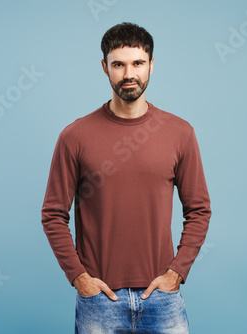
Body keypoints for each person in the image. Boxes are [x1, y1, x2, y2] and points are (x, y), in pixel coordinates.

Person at [41, 22, 212, 334]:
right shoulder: (75, 136)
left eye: (138, 63)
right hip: (98, 301)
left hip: (163, 298)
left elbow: (199, 209)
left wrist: (176, 272)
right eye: (118, 64)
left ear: (151, 66)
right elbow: (53, 214)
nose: (128, 74)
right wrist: (79, 278)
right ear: (105, 68)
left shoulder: (180, 133)